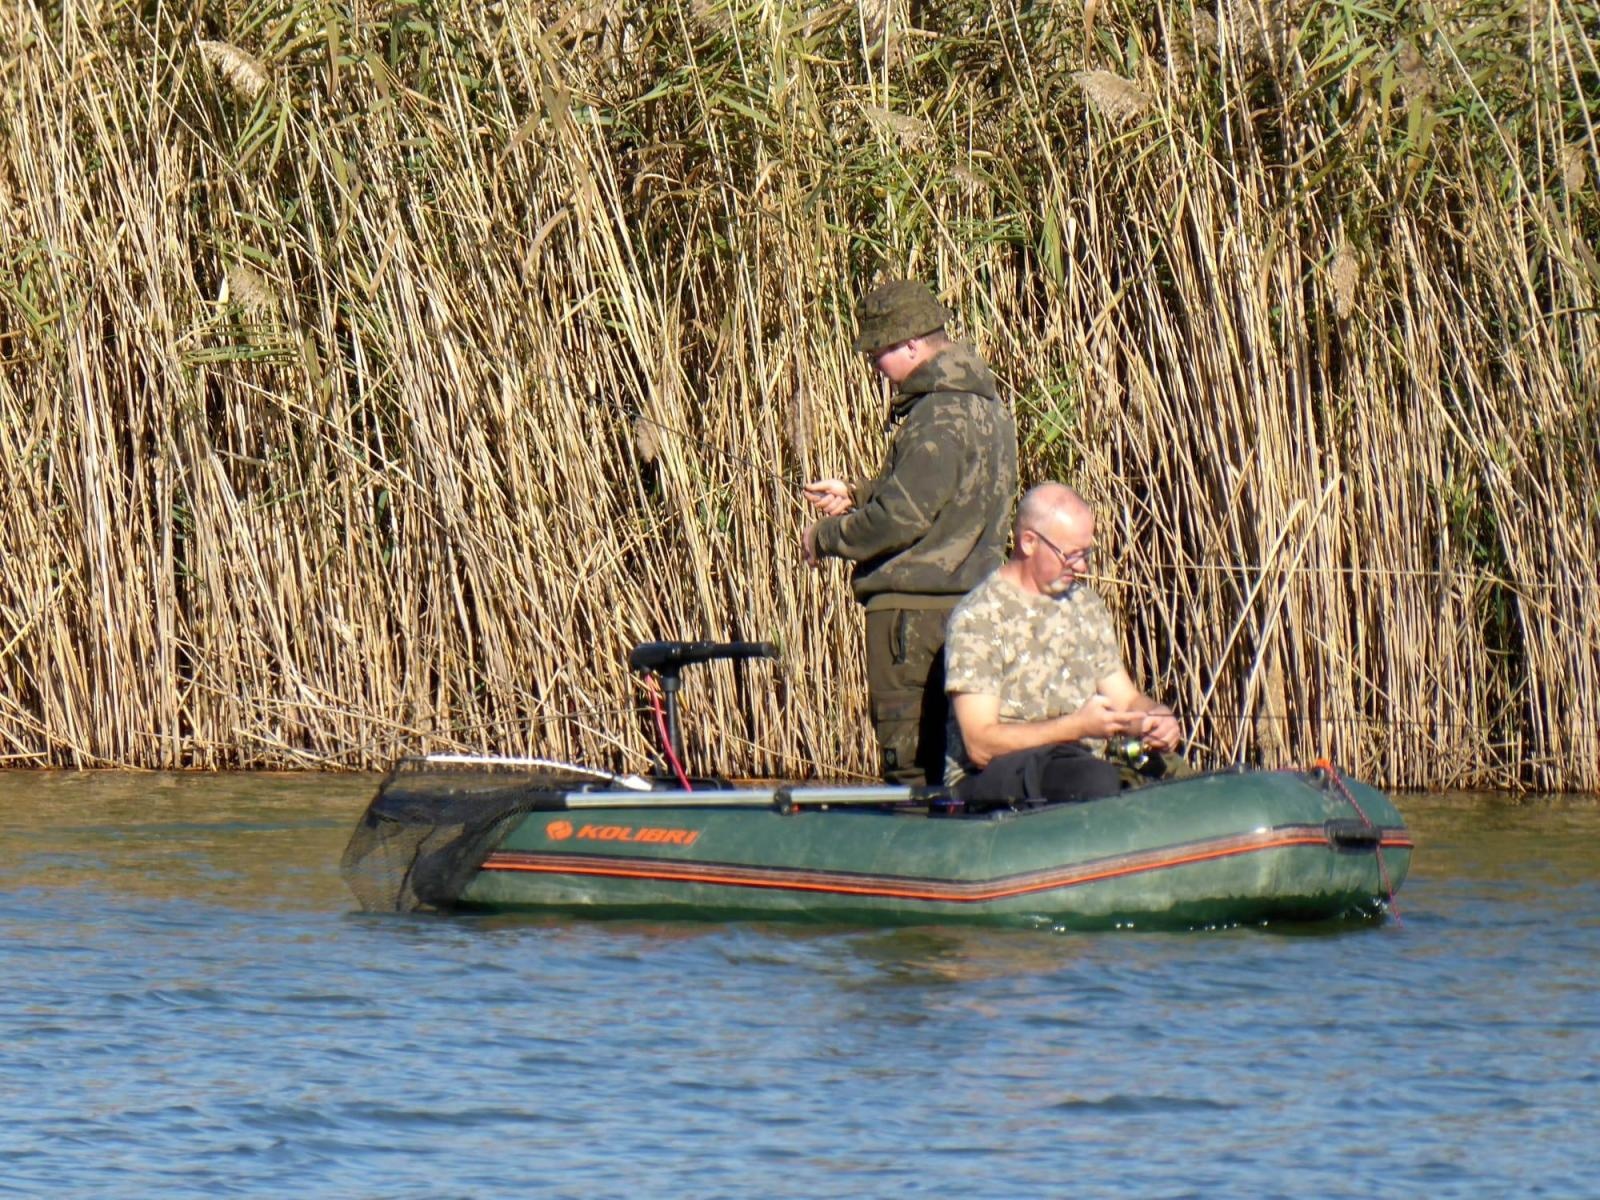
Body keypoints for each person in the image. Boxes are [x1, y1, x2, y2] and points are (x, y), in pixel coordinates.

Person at [802, 280, 1018, 786]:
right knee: (966, 763)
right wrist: (859, 492)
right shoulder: (990, 409)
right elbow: (951, 492)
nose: (875, 367)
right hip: (976, 607)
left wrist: (826, 536)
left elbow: (902, 518)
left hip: (914, 621)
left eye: (878, 353)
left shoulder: (934, 415)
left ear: (911, 345)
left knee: (915, 767)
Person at [943, 482, 1185, 804]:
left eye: (1085, 554)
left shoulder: (1085, 605)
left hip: (1081, 763)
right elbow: (980, 744)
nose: (1082, 567)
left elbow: (1125, 700)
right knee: (1091, 779)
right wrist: (1075, 727)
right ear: (1029, 542)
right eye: (1070, 555)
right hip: (998, 774)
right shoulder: (979, 617)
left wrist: (1155, 717)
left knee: (1178, 776)